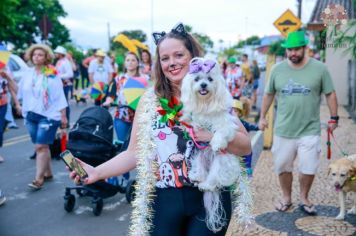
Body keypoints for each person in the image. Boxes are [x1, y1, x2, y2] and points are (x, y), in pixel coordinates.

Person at [69, 23, 251, 235]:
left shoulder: (213, 94)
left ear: (192, 56)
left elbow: (245, 146)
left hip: (209, 196)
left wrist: (212, 137)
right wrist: (96, 171)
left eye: (179, 55)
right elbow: (134, 152)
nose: (172, 63)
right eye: (165, 58)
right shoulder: (149, 102)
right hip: (164, 199)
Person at [258, 31, 338, 215]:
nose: (293, 53)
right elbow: (269, 94)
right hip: (284, 130)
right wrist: (262, 117)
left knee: (308, 167)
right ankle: (286, 197)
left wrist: (334, 118)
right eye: (290, 50)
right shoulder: (277, 70)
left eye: (296, 49)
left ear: (305, 48)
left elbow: (330, 93)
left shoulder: (320, 68)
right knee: (283, 166)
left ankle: (304, 197)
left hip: (310, 129)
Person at [18, 44, 68, 190]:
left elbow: (59, 96)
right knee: (41, 145)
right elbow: (20, 91)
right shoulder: (28, 73)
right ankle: (48, 172)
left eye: (40, 54)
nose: (36, 57)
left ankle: (38, 179)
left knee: (41, 146)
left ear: (46, 57)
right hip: (31, 114)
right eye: (34, 55)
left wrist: (63, 115)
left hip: (49, 115)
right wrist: (16, 102)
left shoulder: (52, 74)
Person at [0, 66, 20, 162]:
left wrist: (17, 104)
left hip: (2, 105)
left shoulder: (5, 70)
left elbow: (13, 90)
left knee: (0, 130)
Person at [54, 46, 73, 127]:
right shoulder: (59, 61)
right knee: (59, 104)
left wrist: (58, 76)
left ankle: (66, 121)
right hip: (59, 85)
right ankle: (61, 121)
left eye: (57, 53)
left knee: (64, 104)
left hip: (65, 85)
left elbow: (70, 74)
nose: (55, 54)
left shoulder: (66, 62)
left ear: (60, 54)